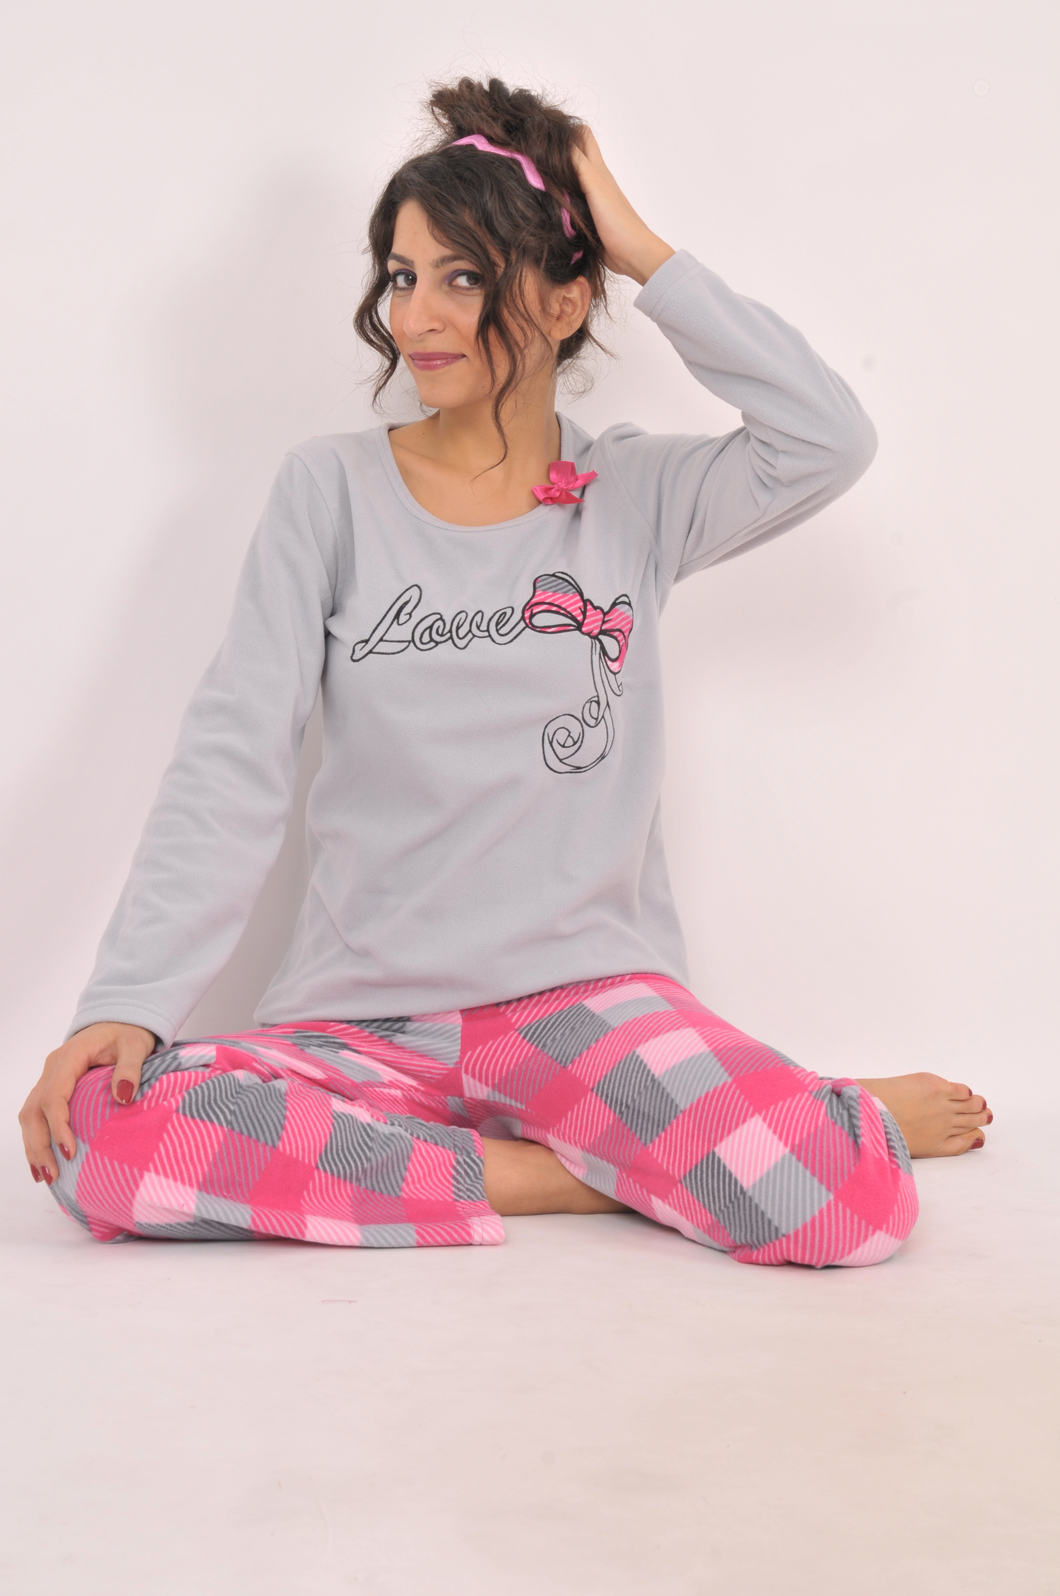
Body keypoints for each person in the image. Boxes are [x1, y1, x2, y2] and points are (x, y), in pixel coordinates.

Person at [18, 78, 990, 1266]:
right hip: (358, 1024)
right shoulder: (328, 490)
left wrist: (638, 248)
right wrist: (128, 1004)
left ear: (566, 297)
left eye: (464, 277)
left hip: (587, 1009)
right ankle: (597, 1173)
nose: (416, 316)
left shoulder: (634, 495)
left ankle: (750, 1124)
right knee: (101, 1140)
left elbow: (827, 438)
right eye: (401, 275)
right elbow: (232, 759)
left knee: (841, 1200)